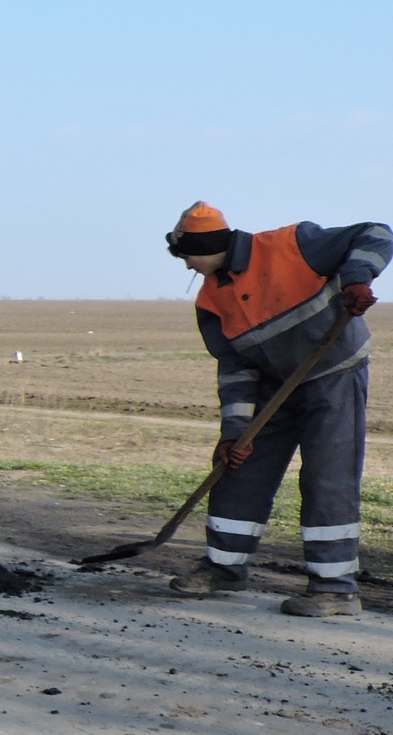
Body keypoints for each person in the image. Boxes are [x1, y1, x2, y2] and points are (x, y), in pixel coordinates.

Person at [164, 200, 387, 615]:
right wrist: (235, 433)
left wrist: (356, 279)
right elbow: (235, 371)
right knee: (236, 467)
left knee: (327, 479)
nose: (188, 267)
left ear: (203, 245)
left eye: (186, 256)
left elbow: (377, 232)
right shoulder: (211, 304)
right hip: (274, 386)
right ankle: (224, 569)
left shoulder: (293, 244)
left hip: (333, 374)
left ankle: (335, 590)